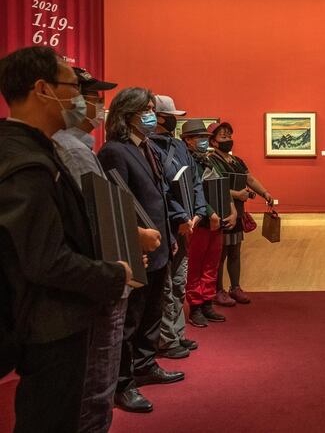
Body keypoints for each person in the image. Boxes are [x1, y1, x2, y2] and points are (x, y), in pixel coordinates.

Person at [0, 46, 133, 432]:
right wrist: (114, 274)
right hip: (49, 323)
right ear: (43, 89)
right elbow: (46, 259)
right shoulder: (27, 162)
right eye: (74, 87)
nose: (80, 98)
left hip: (50, 318)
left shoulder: (35, 151)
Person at [52, 68, 161, 431]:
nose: (96, 105)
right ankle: (124, 383)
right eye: (89, 95)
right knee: (96, 382)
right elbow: (104, 211)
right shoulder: (91, 150)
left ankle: (138, 370)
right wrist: (132, 240)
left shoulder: (89, 147)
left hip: (121, 258)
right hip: (104, 269)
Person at [98, 87, 186, 414]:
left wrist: (169, 234)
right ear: (127, 113)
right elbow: (117, 205)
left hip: (160, 242)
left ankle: (146, 364)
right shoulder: (115, 152)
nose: (151, 115)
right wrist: (136, 240)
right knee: (131, 319)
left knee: (152, 312)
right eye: (146, 109)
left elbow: (159, 195)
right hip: (137, 247)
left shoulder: (146, 146)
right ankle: (123, 383)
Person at [151, 95, 207, 358]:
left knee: (178, 283)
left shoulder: (179, 146)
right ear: (162, 117)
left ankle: (178, 333)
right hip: (169, 225)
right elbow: (161, 189)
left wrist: (198, 212)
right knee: (165, 286)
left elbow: (194, 181)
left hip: (187, 224)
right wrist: (181, 216)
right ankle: (166, 339)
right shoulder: (150, 147)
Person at [208, 121, 273, 303]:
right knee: (220, 254)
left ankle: (235, 287)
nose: (228, 139)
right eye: (223, 136)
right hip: (222, 212)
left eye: (229, 136)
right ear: (213, 142)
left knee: (235, 252)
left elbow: (249, 179)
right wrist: (237, 193)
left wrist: (264, 193)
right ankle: (217, 290)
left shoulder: (236, 160)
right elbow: (213, 185)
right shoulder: (210, 161)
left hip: (238, 211)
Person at [180, 120, 231, 326]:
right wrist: (210, 213)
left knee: (212, 264)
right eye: (199, 138)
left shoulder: (209, 161)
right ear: (188, 140)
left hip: (217, 221)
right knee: (196, 265)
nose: (204, 141)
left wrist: (230, 211)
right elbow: (194, 191)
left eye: (205, 138)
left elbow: (221, 187)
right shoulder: (186, 162)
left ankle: (207, 302)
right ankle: (195, 306)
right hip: (200, 221)